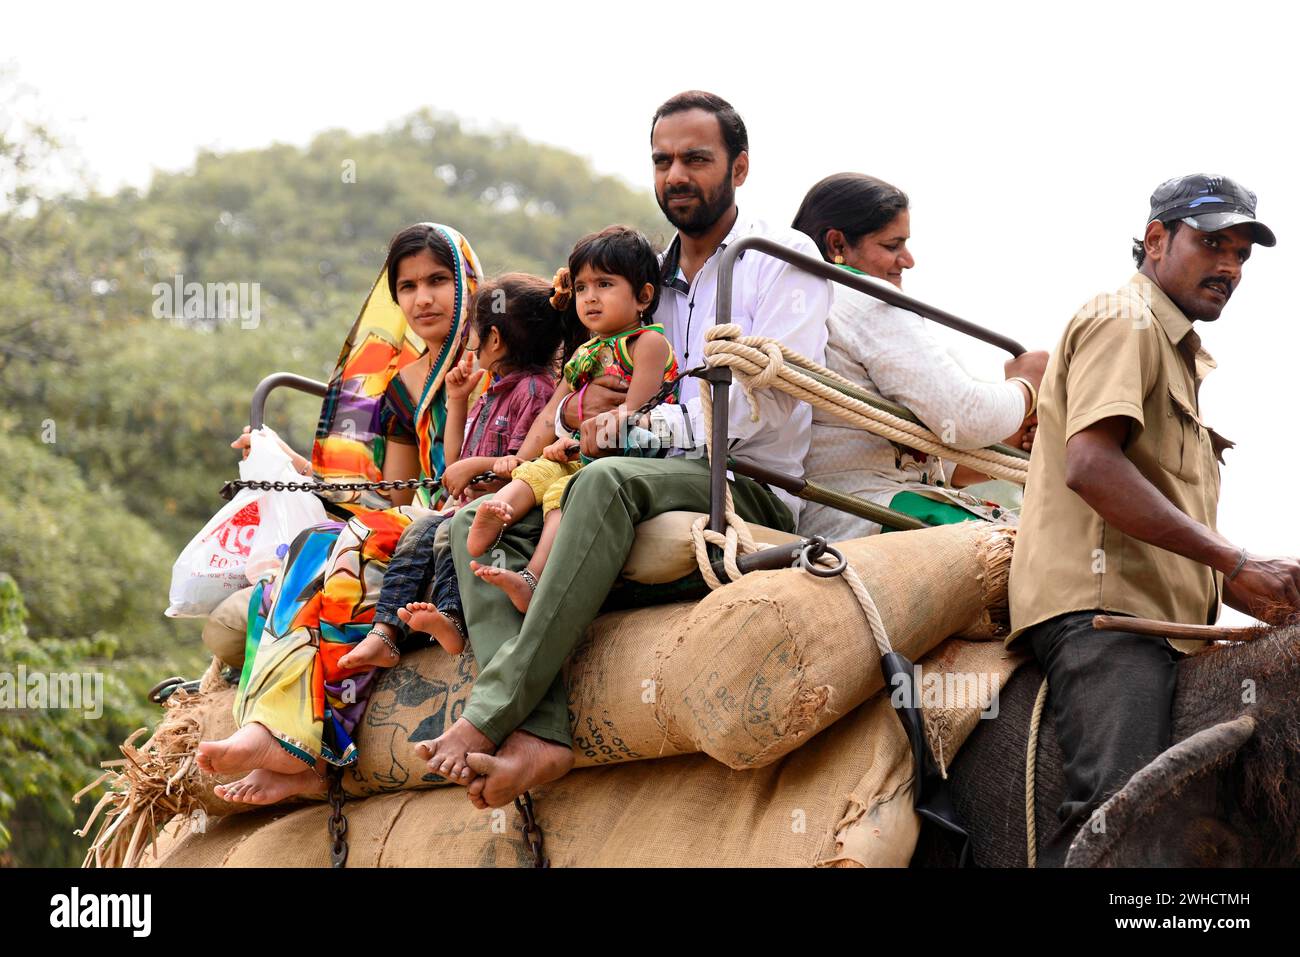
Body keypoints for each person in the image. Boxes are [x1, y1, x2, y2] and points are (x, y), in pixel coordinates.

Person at [420, 91, 832, 808]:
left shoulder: (775, 257)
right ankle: (543, 731)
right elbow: (579, 379)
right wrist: (565, 423)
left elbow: (774, 402)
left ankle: (489, 710)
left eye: (696, 159)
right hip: (629, 467)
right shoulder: (639, 281)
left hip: (743, 478)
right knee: (468, 522)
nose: (677, 174)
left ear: (739, 167)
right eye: (663, 160)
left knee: (602, 481)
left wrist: (634, 427)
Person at [1006, 174, 1300, 867]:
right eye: (1212, 244)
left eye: (1241, 254)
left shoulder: (1181, 351)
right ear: (1158, 239)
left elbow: (1162, 517)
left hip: (1166, 624)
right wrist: (1233, 561)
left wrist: (1254, 583)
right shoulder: (1125, 318)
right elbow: (1092, 466)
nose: (1228, 266)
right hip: (1104, 616)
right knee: (1123, 824)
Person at [195, 222, 484, 806]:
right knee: (303, 553)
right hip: (413, 524)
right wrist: (297, 466)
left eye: (438, 280)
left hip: (481, 517)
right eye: (407, 287)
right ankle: (279, 739)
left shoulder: (504, 356)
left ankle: (292, 744)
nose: (423, 298)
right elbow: (397, 495)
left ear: (471, 284)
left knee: (334, 554)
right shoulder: (399, 385)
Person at [791, 172, 1047, 539]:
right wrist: (1028, 385)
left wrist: (1004, 445)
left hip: (826, 515)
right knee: (1040, 547)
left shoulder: (806, 301)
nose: (907, 260)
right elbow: (964, 416)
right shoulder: (865, 300)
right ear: (838, 244)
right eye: (893, 245)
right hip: (868, 512)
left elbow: (915, 451)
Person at [345, 273, 580, 667]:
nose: (467, 339)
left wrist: (481, 466)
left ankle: (451, 620)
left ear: (494, 340)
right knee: (417, 532)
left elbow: (524, 466)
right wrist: (457, 401)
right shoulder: (489, 389)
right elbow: (455, 464)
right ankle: (385, 632)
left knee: (443, 533)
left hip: (497, 510)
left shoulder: (535, 391)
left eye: (474, 329)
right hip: (460, 506)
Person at [467, 227, 677, 611]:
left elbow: (636, 416)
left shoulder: (647, 344)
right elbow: (551, 413)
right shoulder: (586, 352)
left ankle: (532, 578)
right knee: (535, 475)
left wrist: (575, 442)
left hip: (621, 460)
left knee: (562, 496)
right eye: (581, 288)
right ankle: (494, 518)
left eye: (605, 284)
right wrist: (524, 460)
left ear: (644, 296)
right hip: (577, 452)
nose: (590, 297)